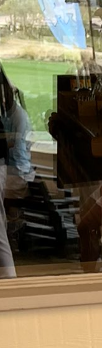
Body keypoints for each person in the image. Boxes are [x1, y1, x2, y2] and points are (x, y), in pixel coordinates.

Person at [0, 63, 35, 277]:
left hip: (18, 171)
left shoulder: (18, 117)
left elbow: (19, 154)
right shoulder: (5, 115)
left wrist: (9, 142)